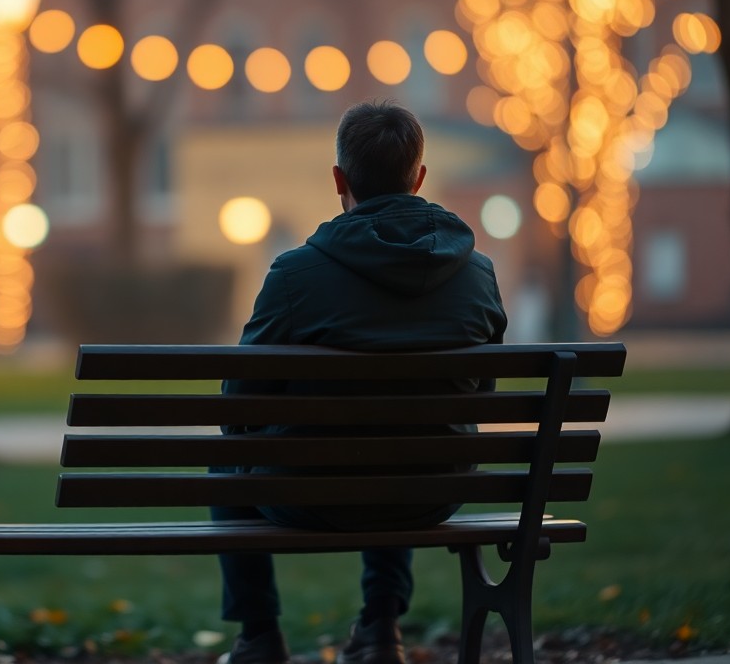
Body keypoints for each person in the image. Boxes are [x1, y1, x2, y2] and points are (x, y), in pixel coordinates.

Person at [213, 100, 508, 664]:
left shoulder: (295, 274)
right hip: (431, 493)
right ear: (419, 177)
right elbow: (480, 395)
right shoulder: (478, 274)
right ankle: (379, 629)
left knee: (228, 459)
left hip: (309, 497)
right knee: (408, 444)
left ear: (339, 179)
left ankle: (259, 637)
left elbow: (239, 408)